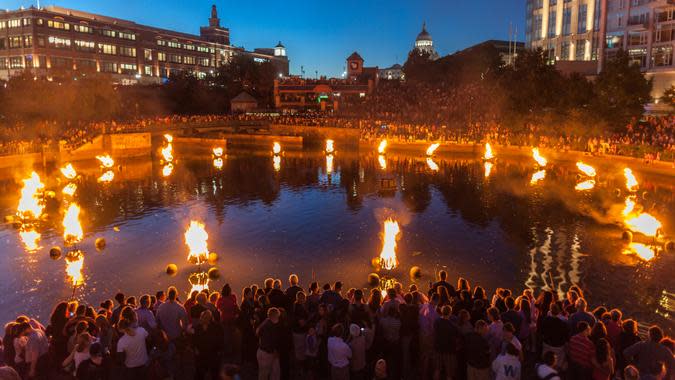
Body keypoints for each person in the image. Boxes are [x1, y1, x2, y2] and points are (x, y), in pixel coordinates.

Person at [192, 310, 224, 380]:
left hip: (213, 353)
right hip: (201, 353)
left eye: (207, 317)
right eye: (203, 317)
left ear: (210, 318)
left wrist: (219, 350)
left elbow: (221, 339)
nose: (205, 319)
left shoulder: (216, 327)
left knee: (214, 373)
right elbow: (194, 339)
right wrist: (195, 348)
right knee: (199, 373)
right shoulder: (198, 327)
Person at [540, 303, 569, 371]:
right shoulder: (562, 323)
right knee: (557, 363)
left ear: (550, 310)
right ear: (558, 311)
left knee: (546, 360)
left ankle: (545, 371)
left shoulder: (545, 320)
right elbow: (565, 336)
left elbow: (542, 332)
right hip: (558, 346)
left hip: (547, 343)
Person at [434, 305, 459, 380]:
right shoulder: (452, 326)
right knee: (449, 373)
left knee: (437, 369)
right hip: (449, 350)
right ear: (450, 313)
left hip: (438, 348)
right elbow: (456, 338)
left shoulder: (437, 322)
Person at [257, 307, 282, 380]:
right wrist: (274, 351)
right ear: (275, 316)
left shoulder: (266, 323)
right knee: (265, 374)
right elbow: (270, 342)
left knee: (266, 373)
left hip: (263, 351)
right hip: (267, 353)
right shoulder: (270, 327)